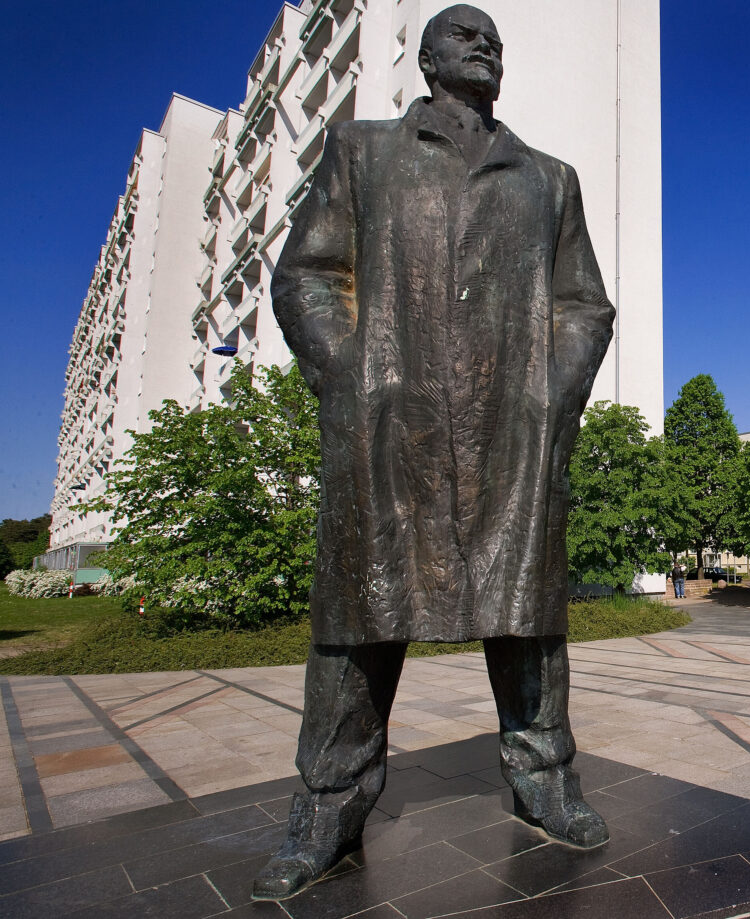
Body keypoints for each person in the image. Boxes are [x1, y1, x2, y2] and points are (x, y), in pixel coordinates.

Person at [254, 5, 615, 900]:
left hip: (509, 427)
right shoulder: (364, 152)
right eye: (463, 33)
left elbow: (584, 305)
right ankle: (329, 805)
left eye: (493, 36)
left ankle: (545, 779)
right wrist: (351, 378)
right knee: (358, 621)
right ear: (424, 59)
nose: (483, 43)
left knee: (527, 614)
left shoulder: (548, 177)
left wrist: (549, 396)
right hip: (389, 423)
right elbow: (305, 273)